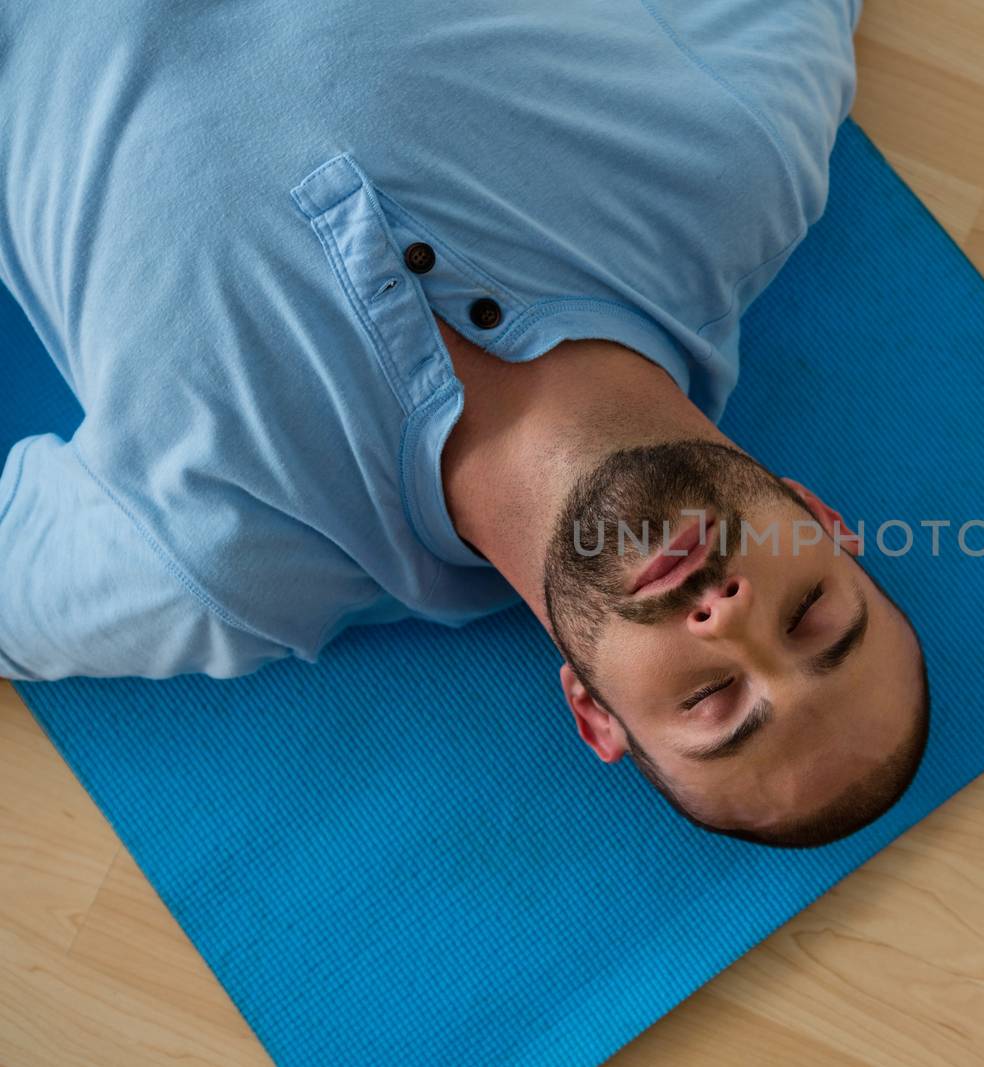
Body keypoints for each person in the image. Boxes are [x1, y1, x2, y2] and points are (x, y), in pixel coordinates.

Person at [0, 0, 930, 848]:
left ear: (593, 710)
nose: (731, 618)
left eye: (713, 696)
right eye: (809, 614)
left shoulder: (221, 561)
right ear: (817, 520)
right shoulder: (745, 147)